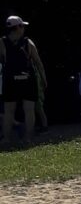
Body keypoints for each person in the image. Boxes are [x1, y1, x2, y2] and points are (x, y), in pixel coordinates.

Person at [1, 15, 48, 145]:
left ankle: (6, 139)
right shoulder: (28, 42)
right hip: (28, 78)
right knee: (29, 110)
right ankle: (28, 138)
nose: (23, 29)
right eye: (22, 26)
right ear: (17, 27)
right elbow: (38, 62)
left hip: (10, 79)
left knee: (8, 111)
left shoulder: (2, 43)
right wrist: (44, 79)